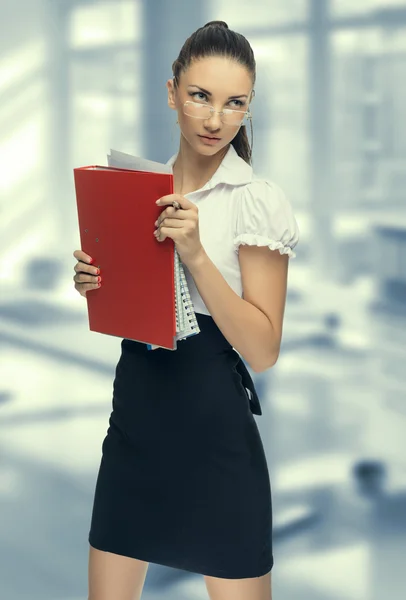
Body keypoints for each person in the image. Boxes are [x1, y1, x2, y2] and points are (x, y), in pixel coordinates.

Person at [73, 20, 299, 600]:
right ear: (171, 91)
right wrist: (97, 284)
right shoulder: (133, 187)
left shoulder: (255, 202)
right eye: (200, 95)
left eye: (234, 103)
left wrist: (195, 253)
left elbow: (264, 351)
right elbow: (134, 313)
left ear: (248, 108)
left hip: (214, 429)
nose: (215, 119)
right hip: (136, 417)